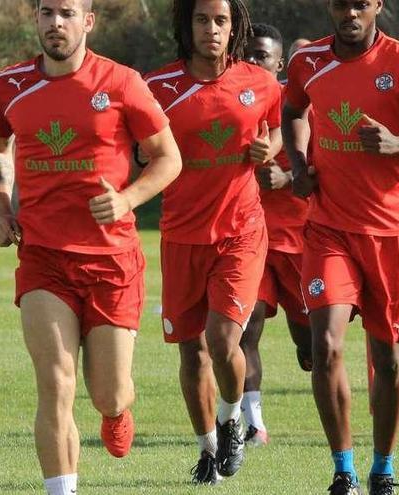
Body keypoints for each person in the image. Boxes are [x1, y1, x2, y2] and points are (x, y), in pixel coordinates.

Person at [0, 0, 181, 493]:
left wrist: (128, 199)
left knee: (108, 394)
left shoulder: (121, 83)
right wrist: (2, 209)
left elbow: (168, 158)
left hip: (112, 260)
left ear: (87, 21)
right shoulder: (9, 86)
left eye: (67, 13)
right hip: (43, 257)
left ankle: (116, 411)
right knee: (55, 383)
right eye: (47, 13)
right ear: (36, 20)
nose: (56, 23)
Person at [283, 1, 399, 492]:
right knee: (325, 347)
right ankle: (342, 469)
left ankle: (382, 467)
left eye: (361, 4)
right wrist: (299, 167)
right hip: (328, 229)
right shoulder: (307, 62)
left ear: (377, 6)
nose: (350, 12)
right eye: (341, 2)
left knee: (386, 360)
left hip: (390, 234)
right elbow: (293, 111)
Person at [143, 0, 282, 484]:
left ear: (234, 26)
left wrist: (272, 148)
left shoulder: (259, 83)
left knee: (223, 340)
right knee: (190, 352)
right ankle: (206, 449)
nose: (212, 29)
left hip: (240, 230)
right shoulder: (156, 88)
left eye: (220, 20)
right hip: (181, 235)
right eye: (202, 20)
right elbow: (134, 149)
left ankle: (230, 419)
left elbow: (278, 129)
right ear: (188, 25)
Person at [238, 23, 313, 447]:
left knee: (311, 349)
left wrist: (290, 176)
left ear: (278, 63)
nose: (252, 62)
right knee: (245, 330)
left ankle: (309, 353)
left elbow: (330, 163)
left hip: (299, 241)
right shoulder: (231, 103)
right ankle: (254, 424)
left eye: (261, 56)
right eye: (245, 55)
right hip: (249, 240)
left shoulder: (301, 106)